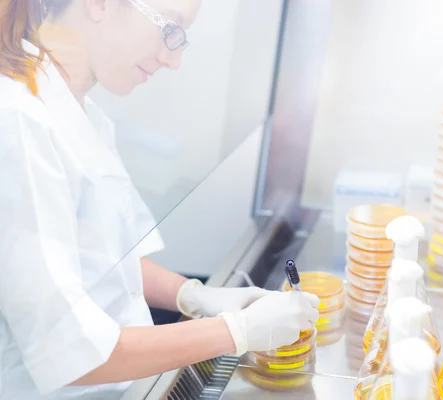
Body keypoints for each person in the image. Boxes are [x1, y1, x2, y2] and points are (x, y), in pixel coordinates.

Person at [0, 0, 320, 398]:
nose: (173, 61)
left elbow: (105, 260)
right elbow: (68, 350)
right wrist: (234, 332)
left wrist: (194, 295)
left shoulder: (81, 112)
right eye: (170, 29)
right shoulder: (19, 123)